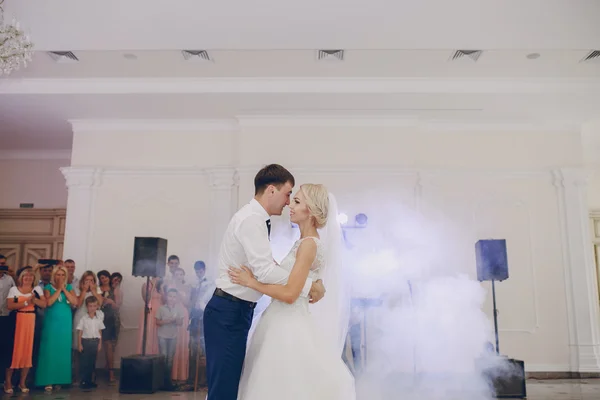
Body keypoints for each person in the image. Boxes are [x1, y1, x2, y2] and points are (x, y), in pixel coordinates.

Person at [203, 164, 326, 400]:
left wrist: (300, 283)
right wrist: (309, 286)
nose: (289, 202)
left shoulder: (258, 220)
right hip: (229, 311)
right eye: (288, 194)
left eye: (294, 198)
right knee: (224, 389)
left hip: (238, 310)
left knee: (232, 385)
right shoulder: (251, 220)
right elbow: (265, 271)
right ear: (271, 190)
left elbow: (268, 271)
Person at [229, 184, 355, 400]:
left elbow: (289, 294)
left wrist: (251, 282)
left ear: (312, 211)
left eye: (297, 202)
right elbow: (289, 278)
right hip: (282, 319)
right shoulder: (304, 242)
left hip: (287, 323)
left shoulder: (308, 245)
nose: (290, 206)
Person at [35, 266, 78, 392]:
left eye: (62, 275)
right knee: (50, 350)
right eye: (58, 275)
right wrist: (59, 289)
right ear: (54, 276)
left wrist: (64, 288)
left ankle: (60, 379)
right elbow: (49, 303)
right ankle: (48, 380)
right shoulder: (48, 288)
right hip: (52, 322)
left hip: (65, 322)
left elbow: (74, 302)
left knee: (62, 349)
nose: (60, 277)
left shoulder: (69, 288)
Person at [5, 267, 46, 394]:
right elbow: (10, 305)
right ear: (21, 278)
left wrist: (33, 300)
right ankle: (8, 382)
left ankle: (22, 382)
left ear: (34, 278)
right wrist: (26, 302)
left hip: (31, 320)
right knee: (13, 351)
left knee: (28, 350)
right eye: (25, 276)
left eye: (30, 276)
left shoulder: (37, 289)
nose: (28, 278)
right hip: (17, 320)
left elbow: (44, 304)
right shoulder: (14, 289)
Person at [156, 289, 185, 389]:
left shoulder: (179, 309)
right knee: (164, 357)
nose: (172, 299)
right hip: (162, 336)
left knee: (170, 359)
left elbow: (180, 323)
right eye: (170, 296)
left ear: (177, 298)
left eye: (174, 297)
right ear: (166, 297)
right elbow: (158, 322)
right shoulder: (161, 308)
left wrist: (175, 320)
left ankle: (168, 381)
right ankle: (161, 381)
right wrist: (167, 321)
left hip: (173, 336)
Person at [76, 296, 104, 390]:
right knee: (85, 362)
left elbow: (100, 331)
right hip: (86, 341)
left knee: (92, 362)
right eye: (90, 306)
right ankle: (84, 381)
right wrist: (79, 344)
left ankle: (90, 381)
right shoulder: (84, 318)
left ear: (97, 307)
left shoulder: (98, 319)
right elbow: (80, 332)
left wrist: (100, 343)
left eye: (94, 306)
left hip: (95, 341)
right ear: (87, 307)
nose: (92, 308)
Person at [0, 263, 16, 394]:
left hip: (5, 317)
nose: (3, 267)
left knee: (5, 348)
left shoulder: (9, 279)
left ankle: (3, 380)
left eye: (4, 264)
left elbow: (15, 295)